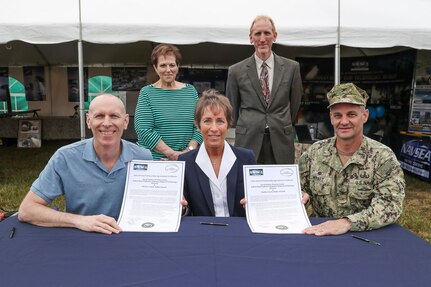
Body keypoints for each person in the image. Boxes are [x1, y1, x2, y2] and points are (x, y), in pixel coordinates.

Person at [18, 94, 153, 234]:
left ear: (125, 121)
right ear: (88, 120)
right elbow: (27, 210)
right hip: (81, 239)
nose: (107, 123)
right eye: (99, 116)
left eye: (114, 116)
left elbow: (156, 205)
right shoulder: (65, 157)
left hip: (130, 237)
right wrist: (79, 220)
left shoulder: (143, 157)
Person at [299, 83, 405, 236]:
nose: (343, 121)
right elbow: (301, 189)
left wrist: (347, 222)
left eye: (351, 114)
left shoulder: (383, 157)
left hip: (364, 236)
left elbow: (390, 205)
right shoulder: (314, 153)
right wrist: (303, 196)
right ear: (331, 118)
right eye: (337, 115)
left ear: (365, 116)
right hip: (319, 233)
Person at [226, 15, 302, 164]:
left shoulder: (292, 68)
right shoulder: (235, 71)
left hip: (281, 139)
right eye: (257, 34)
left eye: (267, 33)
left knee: (280, 185)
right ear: (250, 37)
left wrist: (280, 122)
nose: (262, 39)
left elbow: (295, 104)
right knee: (246, 185)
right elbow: (232, 108)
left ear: (275, 36)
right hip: (248, 139)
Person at [179, 89, 256, 216]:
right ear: (198, 125)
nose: (214, 128)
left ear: (228, 125)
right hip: (203, 232)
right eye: (207, 121)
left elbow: (258, 203)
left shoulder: (246, 158)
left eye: (220, 121)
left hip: (239, 232)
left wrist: (254, 204)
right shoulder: (185, 162)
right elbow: (186, 210)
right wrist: (181, 208)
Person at [135, 43, 203, 160]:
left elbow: (200, 125)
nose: (168, 70)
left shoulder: (190, 91)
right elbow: (144, 130)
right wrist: (171, 154)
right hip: (155, 160)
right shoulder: (146, 93)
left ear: (178, 66)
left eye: (172, 65)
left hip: (187, 158)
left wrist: (189, 150)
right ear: (155, 68)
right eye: (163, 65)